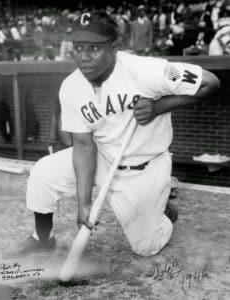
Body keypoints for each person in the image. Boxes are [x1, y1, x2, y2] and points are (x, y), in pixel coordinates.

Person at [20, 11, 220, 257]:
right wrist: (84, 204)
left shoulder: (147, 70)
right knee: (43, 172)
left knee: (146, 247)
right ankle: (42, 238)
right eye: (78, 47)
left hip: (144, 169)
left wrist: (159, 107)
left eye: (94, 48)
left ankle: (162, 207)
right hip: (103, 157)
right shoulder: (71, 87)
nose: (84, 57)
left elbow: (211, 82)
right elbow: (83, 146)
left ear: (113, 47)